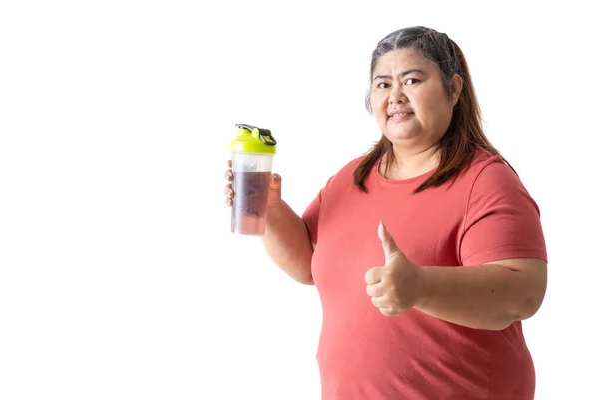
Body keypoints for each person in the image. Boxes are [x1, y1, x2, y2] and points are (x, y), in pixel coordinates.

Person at [224, 26, 547, 400]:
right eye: (382, 84)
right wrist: (269, 208)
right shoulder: (352, 177)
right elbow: (306, 265)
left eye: (411, 79)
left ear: (454, 89)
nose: (395, 95)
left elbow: (523, 293)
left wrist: (420, 287)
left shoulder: (485, 180)